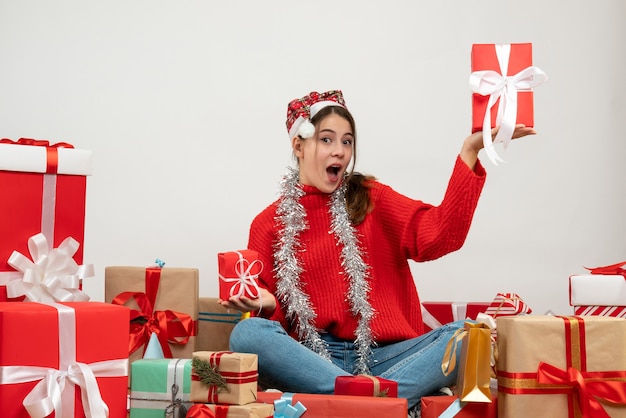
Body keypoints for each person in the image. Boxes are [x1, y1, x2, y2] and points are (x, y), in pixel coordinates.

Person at [221, 90, 535, 411]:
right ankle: (375, 404)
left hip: (388, 357)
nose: (340, 152)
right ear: (299, 146)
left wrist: (470, 150)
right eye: (327, 140)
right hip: (313, 362)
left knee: (467, 336)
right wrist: (267, 302)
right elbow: (275, 324)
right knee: (248, 334)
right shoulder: (268, 223)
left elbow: (440, 235)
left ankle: (356, 404)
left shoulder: (372, 198)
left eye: (347, 142)